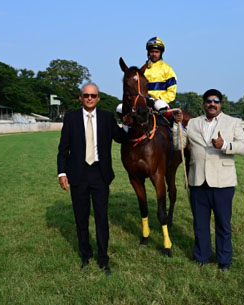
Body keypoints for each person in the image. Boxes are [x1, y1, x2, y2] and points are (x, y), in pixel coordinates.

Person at [173, 89, 244, 271]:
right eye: (209, 101)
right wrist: (177, 127)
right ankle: (202, 257)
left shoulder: (232, 122)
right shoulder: (192, 123)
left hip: (223, 182)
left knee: (223, 224)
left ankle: (224, 261)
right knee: (200, 224)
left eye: (216, 101)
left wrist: (225, 145)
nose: (212, 104)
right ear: (204, 104)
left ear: (220, 104)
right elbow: (178, 145)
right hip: (198, 181)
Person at [57, 82, 127, 275]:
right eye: (86, 95)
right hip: (77, 175)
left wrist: (129, 121)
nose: (89, 98)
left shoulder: (106, 118)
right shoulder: (71, 118)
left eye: (93, 95)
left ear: (98, 98)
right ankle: (86, 256)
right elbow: (63, 149)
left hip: (99, 175)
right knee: (81, 219)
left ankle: (104, 259)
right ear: (80, 98)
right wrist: (62, 173)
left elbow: (121, 137)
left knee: (101, 218)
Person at [116, 36, 177, 123]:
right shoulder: (142, 70)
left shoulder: (168, 69)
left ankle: (174, 125)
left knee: (160, 105)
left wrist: (157, 99)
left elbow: (172, 92)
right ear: (148, 53)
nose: (154, 54)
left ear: (161, 53)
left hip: (159, 101)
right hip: (143, 100)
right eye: (152, 51)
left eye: (157, 52)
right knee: (119, 108)